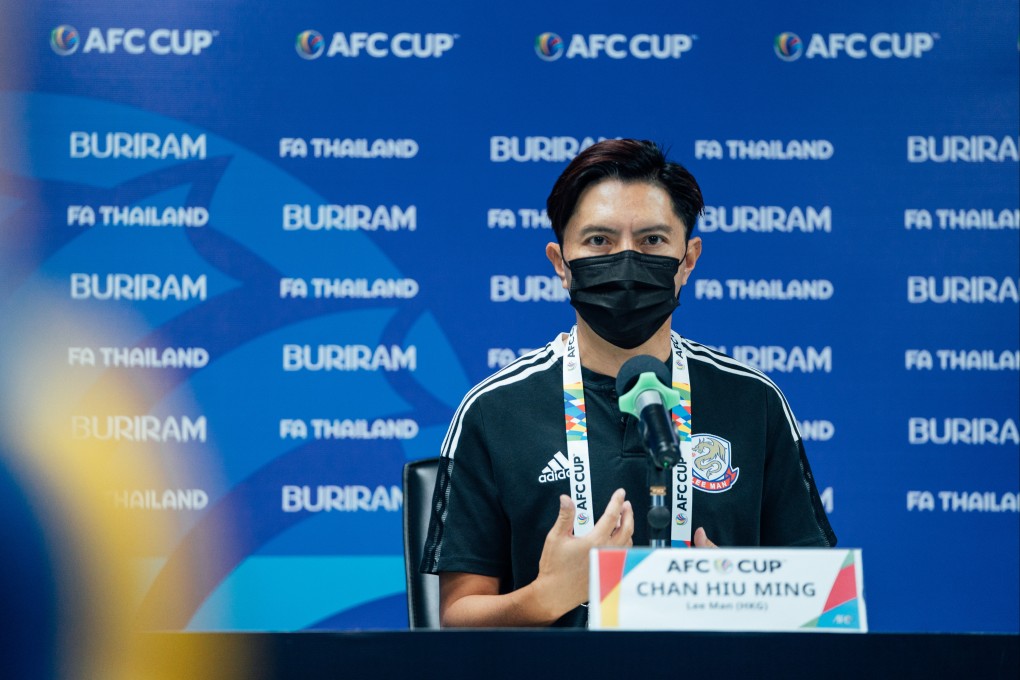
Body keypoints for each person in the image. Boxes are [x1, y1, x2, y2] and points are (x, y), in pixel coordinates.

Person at [421, 139, 836, 627]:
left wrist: (736, 595)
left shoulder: (753, 401)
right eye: (599, 241)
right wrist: (545, 597)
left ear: (688, 261)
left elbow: (822, 604)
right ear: (560, 263)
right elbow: (455, 619)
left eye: (652, 241)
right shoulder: (495, 409)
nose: (626, 260)